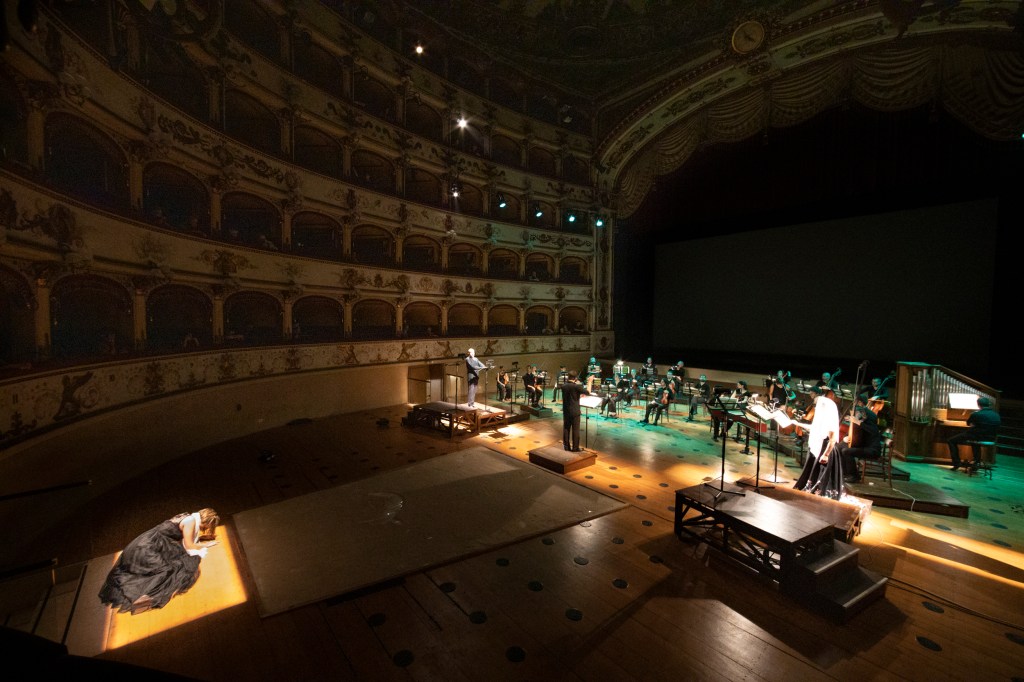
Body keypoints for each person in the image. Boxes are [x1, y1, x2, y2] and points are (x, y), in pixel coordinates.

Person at [99, 508, 220, 615]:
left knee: (172, 565)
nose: (204, 529)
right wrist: (207, 545)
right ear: (206, 522)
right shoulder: (190, 522)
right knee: (170, 569)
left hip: (149, 542)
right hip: (147, 548)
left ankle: (145, 596)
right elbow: (189, 545)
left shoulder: (188, 516)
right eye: (206, 527)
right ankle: (146, 597)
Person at [793, 385, 843, 499]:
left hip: (825, 449)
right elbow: (814, 427)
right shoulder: (821, 418)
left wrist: (826, 454)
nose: (816, 408)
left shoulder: (830, 420)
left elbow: (832, 439)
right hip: (817, 446)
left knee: (821, 475)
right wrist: (797, 423)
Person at [947, 396, 1000, 470]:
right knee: (975, 441)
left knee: (951, 440)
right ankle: (976, 462)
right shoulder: (996, 415)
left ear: (978, 404)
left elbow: (969, 424)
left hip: (976, 436)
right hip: (991, 438)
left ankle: (957, 463)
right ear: (988, 404)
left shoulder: (976, 414)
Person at [835, 397, 882, 481]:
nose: (855, 415)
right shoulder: (861, 421)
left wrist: (858, 422)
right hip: (862, 446)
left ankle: (854, 476)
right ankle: (844, 473)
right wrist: (846, 437)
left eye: (856, 414)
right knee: (838, 447)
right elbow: (854, 432)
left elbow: (873, 431)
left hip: (872, 449)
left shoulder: (869, 422)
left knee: (846, 451)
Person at [560, 370, 590, 451]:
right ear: (575, 378)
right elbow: (588, 392)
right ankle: (575, 447)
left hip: (566, 410)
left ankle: (566, 447)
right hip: (575, 411)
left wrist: (578, 395)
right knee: (575, 430)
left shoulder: (563, 386)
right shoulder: (576, 386)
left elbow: (570, 395)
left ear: (568, 377)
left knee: (566, 428)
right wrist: (590, 381)